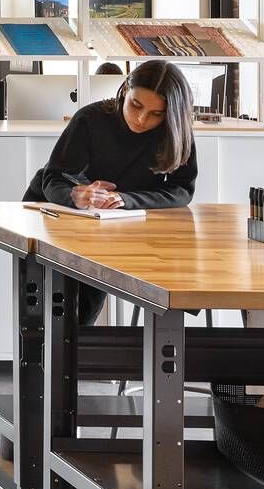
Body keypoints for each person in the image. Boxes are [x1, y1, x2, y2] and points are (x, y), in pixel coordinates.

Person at [24, 59, 198, 322]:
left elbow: (182, 190)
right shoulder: (90, 119)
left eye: (156, 114)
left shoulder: (174, 132)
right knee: (42, 313)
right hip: (52, 214)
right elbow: (53, 178)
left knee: (83, 316)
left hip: (111, 225)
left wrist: (126, 200)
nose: (141, 119)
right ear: (125, 89)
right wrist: (76, 195)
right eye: (136, 105)